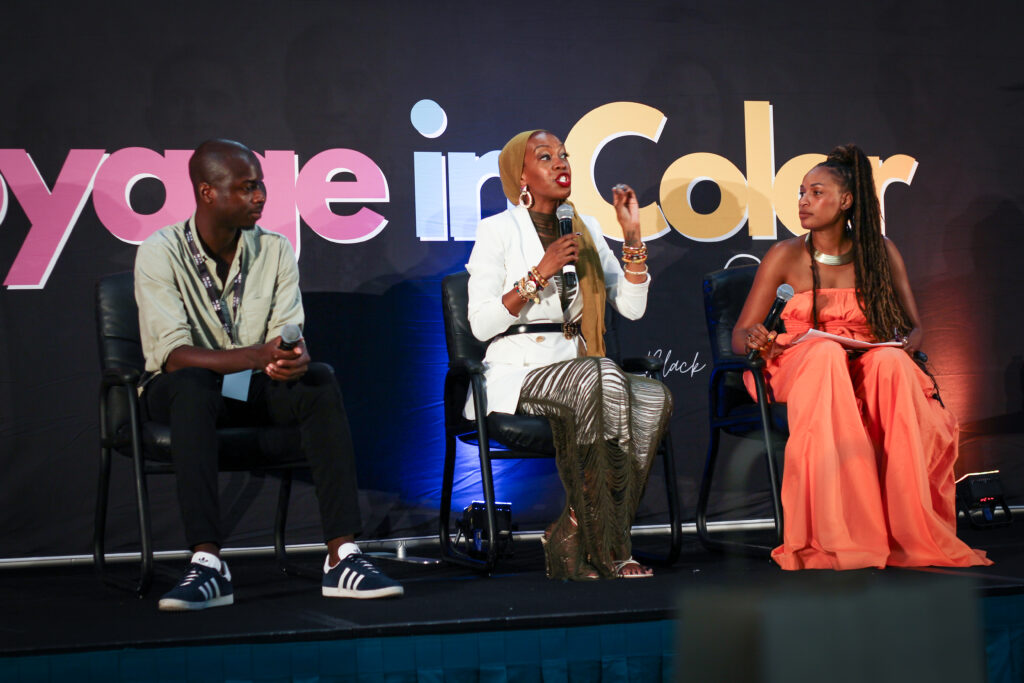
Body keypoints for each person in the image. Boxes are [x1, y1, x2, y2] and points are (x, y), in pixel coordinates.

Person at [134, 139, 403, 610]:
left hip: (244, 385)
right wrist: (259, 355)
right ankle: (207, 564)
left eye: (260, 186)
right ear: (207, 193)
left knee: (318, 379)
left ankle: (343, 556)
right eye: (245, 188)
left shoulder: (275, 250)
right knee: (192, 386)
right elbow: (174, 355)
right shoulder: (160, 251)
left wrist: (291, 357)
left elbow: (287, 334)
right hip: (178, 387)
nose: (260, 196)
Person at [732, 143, 990, 570]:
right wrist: (757, 335)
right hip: (801, 362)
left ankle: (907, 533)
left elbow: (915, 325)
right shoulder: (784, 256)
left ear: (846, 201)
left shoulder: (880, 253)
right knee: (824, 353)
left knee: (891, 365)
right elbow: (741, 337)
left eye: (816, 192)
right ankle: (835, 535)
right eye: (801, 192)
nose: (803, 202)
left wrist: (906, 342)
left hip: (863, 360)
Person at [464, 130, 673, 580]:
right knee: (600, 377)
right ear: (520, 174)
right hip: (519, 370)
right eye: (546, 157)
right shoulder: (496, 231)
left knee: (654, 397)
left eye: (564, 155)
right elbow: (481, 324)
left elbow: (631, 308)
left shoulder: (586, 228)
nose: (562, 164)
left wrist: (631, 234)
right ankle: (612, 549)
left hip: (579, 366)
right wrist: (539, 273)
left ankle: (571, 530)